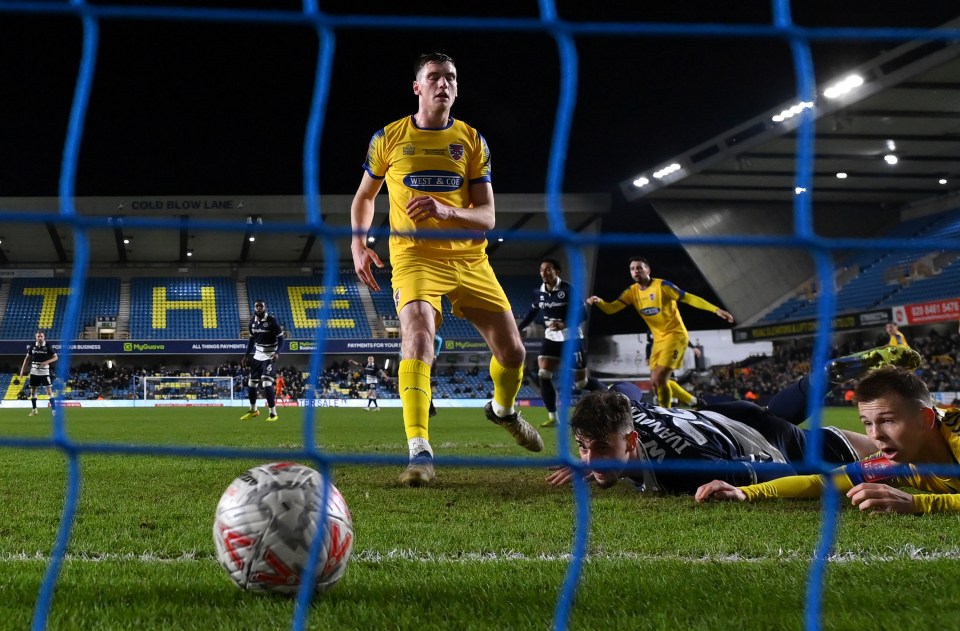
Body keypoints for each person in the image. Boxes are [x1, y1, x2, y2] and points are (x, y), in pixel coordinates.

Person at [350, 51, 542, 486]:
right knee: (417, 336)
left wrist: (444, 208)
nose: (444, 84)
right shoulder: (388, 137)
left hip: (470, 258)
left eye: (451, 77)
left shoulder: (472, 141)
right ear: (417, 87)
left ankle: (503, 411)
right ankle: (420, 451)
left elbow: (488, 217)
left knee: (513, 353)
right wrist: (358, 242)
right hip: (414, 257)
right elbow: (365, 196)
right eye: (434, 77)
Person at [696, 364, 960, 514]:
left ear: (925, 419)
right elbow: (822, 482)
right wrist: (745, 492)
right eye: (867, 423)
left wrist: (916, 503)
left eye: (888, 420)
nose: (876, 435)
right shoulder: (894, 462)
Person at [546, 381, 876, 494]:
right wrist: (594, 456)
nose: (590, 458)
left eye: (601, 447)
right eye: (583, 448)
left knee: (890, 455)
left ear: (632, 441)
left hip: (764, 437)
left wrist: (739, 488)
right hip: (718, 417)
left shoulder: (684, 470)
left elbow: (783, 473)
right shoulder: (621, 407)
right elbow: (624, 390)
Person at [587, 257, 734, 410]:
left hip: (675, 336)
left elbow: (689, 298)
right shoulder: (632, 292)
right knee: (657, 382)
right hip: (658, 340)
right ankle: (693, 401)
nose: (636, 271)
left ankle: (665, 413)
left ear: (648, 270)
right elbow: (612, 308)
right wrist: (600, 302)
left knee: (659, 378)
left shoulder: (663, 286)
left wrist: (716, 310)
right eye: (632, 269)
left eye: (639, 268)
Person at [517, 257, 604, 428]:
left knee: (581, 383)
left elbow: (583, 314)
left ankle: (610, 394)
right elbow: (532, 312)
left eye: (548, 269)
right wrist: (518, 328)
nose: (544, 272)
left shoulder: (568, 289)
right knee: (543, 374)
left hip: (571, 337)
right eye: (542, 269)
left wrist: (564, 323)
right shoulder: (538, 292)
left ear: (557, 271)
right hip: (551, 337)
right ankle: (552, 417)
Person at [240, 299, 284, 422]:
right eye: (257, 306)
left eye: (261, 306)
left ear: (265, 308)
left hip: (269, 356)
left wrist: (277, 352)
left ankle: (273, 414)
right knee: (251, 383)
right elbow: (251, 341)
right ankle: (253, 410)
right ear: (254, 308)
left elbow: (281, 340)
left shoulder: (272, 321)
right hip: (257, 356)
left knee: (266, 383)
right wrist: (246, 356)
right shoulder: (252, 323)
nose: (259, 308)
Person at [17, 330, 58, 417]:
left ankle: (54, 410)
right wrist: (22, 370)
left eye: (41, 336)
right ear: (36, 337)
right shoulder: (32, 346)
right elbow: (27, 358)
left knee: (49, 391)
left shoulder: (47, 346)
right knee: (33, 391)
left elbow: (55, 357)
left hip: (44, 372)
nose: (40, 338)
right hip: (34, 371)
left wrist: (47, 361)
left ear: (44, 337)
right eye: (38, 336)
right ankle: (34, 410)